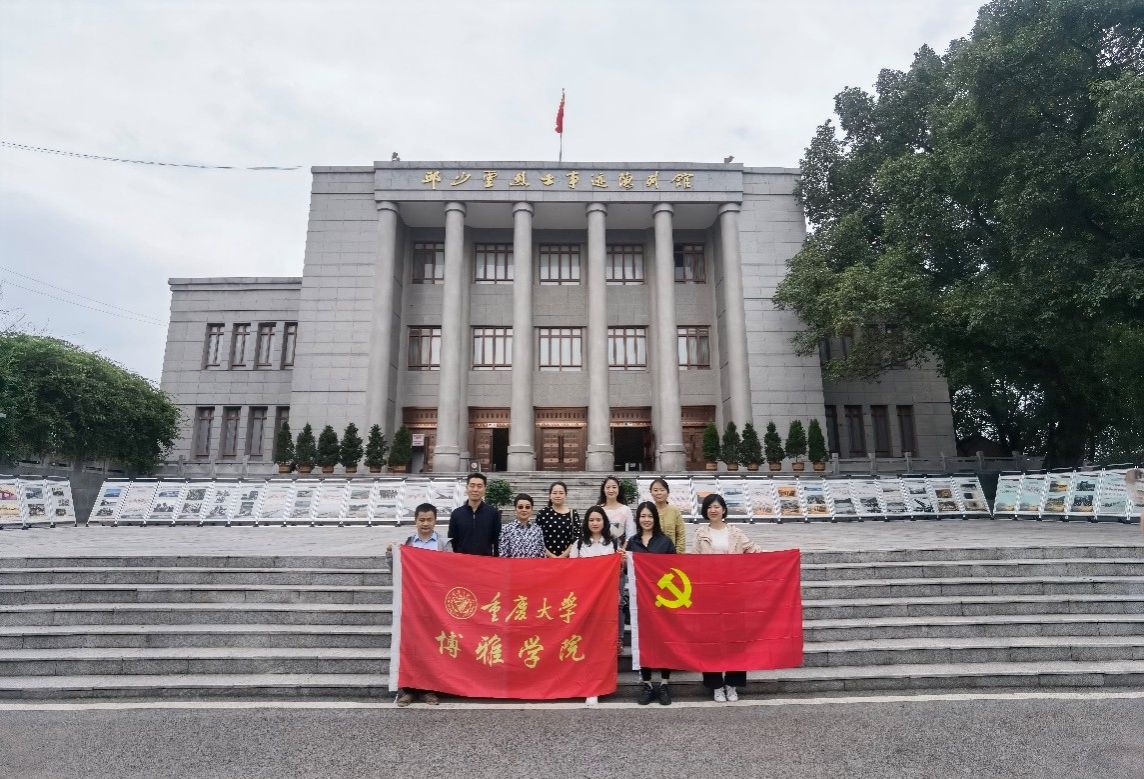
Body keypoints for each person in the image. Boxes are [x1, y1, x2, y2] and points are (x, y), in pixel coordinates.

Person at [692, 492, 764, 703]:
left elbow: (754, 551)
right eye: (709, 507)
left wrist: (781, 557)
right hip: (710, 594)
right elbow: (693, 562)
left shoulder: (735, 533)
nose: (713, 510)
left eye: (717, 506)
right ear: (705, 511)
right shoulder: (700, 534)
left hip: (734, 593)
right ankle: (715, 685)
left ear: (723, 509)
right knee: (711, 641)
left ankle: (732, 684)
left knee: (736, 641)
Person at [385, 502, 450, 706]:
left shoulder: (444, 545)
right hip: (412, 603)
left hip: (434, 605)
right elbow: (396, 572)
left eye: (429, 519)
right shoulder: (407, 544)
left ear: (435, 521)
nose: (425, 523)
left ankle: (429, 689)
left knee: (432, 647)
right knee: (411, 647)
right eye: (421, 520)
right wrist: (390, 555)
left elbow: (451, 572)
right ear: (415, 521)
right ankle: (408, 690)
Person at [624, 500, 676, 705]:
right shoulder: (632, 542)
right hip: (640, 601)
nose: (646, 519)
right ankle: (646, 684)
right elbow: (627, 571)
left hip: (663, 601)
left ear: (655, 518)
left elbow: (675, 569)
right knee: (642, 641)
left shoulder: (665, 542)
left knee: (664, 641)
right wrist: (622, 560)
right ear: (638, 519)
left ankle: (664, 684)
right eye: (643, 516)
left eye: (649, 516)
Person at [568, 505, 621, 706]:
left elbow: (617, 572)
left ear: (604, 522)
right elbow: (571, 572)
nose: (595, 523)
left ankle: (599, 684)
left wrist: (622, 561)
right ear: (586, 523)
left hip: (606, 601)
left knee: (602, 643)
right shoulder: (579, 544)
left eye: (598, 519)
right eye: (591, 520)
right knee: (585, 643)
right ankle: (585, 684)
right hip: (585, 601)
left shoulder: (613, 543)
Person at [447, 472, 500, 556]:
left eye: (479, 486)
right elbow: (453, 540)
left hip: (485, 560)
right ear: (466, 488)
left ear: (484, 489)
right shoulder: (456, 514)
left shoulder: (493, 513)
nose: (475, 489)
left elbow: (497, 540)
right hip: (463, 560)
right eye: (472, 486)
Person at [535, 481, 578, 558]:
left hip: (568, 559)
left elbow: (577, 537)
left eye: (561, 493)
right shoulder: (542, 513)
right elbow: (536, 537)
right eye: (554, 493)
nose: (558, 496)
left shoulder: (573, 513)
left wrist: (563, 556)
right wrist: (551, 556)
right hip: (546, 558)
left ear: (566, 495)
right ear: (550, 495)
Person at [498, 493, 546, 558]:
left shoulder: (537, 530)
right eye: (520, 507)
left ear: (531, 509)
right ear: (515, 509)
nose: (524, 510)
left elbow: (542, 555)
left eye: (527, 507)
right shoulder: (506, 530)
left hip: (533, 564)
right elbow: (503, 555)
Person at [649, 477, 687, 553]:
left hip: (671, 553)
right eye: (655, 490)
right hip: (652, 554)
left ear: (668, 492)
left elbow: (681, 534)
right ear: (651, 493)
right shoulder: (648, 511)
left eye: (662, 490)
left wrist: (677, 553)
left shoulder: (675, 511)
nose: (659, 493)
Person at [598, 476, 634, 543]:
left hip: (619, 547)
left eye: (614, 487)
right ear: (603, 489)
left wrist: (624, 547)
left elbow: (631, 533)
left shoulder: (626, 510)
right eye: (608, 487)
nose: (611, 490)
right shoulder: (598, 509)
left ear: (619, 489)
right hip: (600, 547)